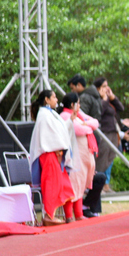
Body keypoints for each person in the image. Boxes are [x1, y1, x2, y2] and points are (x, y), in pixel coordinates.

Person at [27, 90, 74, 226]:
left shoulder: (48, 114)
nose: (56, 100)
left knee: (64, 184)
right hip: (50, 154)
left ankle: (68, 216)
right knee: (51, 185)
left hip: (55, 154)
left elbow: (59, 133)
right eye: (54, 97)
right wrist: (59, 150)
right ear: (46, 100)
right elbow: (51, 137)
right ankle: (48, 215)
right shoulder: (45, 116)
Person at [59, 93, 102, 222]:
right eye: (78, 103)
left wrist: (86, 124)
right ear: (72, 104)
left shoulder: (79, 116)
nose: (80, 106)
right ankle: (70, 215)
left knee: (81, 184)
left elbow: (95, 122)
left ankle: (78, 214)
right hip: (74, 158)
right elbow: (79, 130)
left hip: (84, 157)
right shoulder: (65, 116)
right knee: (74, 184)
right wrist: (87, 126)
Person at [92, 78, 125, 182]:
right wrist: (105, 99)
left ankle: (106, 182)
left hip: (113, 132)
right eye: (104, 86)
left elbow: (121, 108)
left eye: (107, 86)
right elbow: (100, 112)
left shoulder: (108, 100)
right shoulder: (97, 100)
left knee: (110, 158)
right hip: (104, 133)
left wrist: (112, 97)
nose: (106, 88)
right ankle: (99, 182)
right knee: (102, 158)